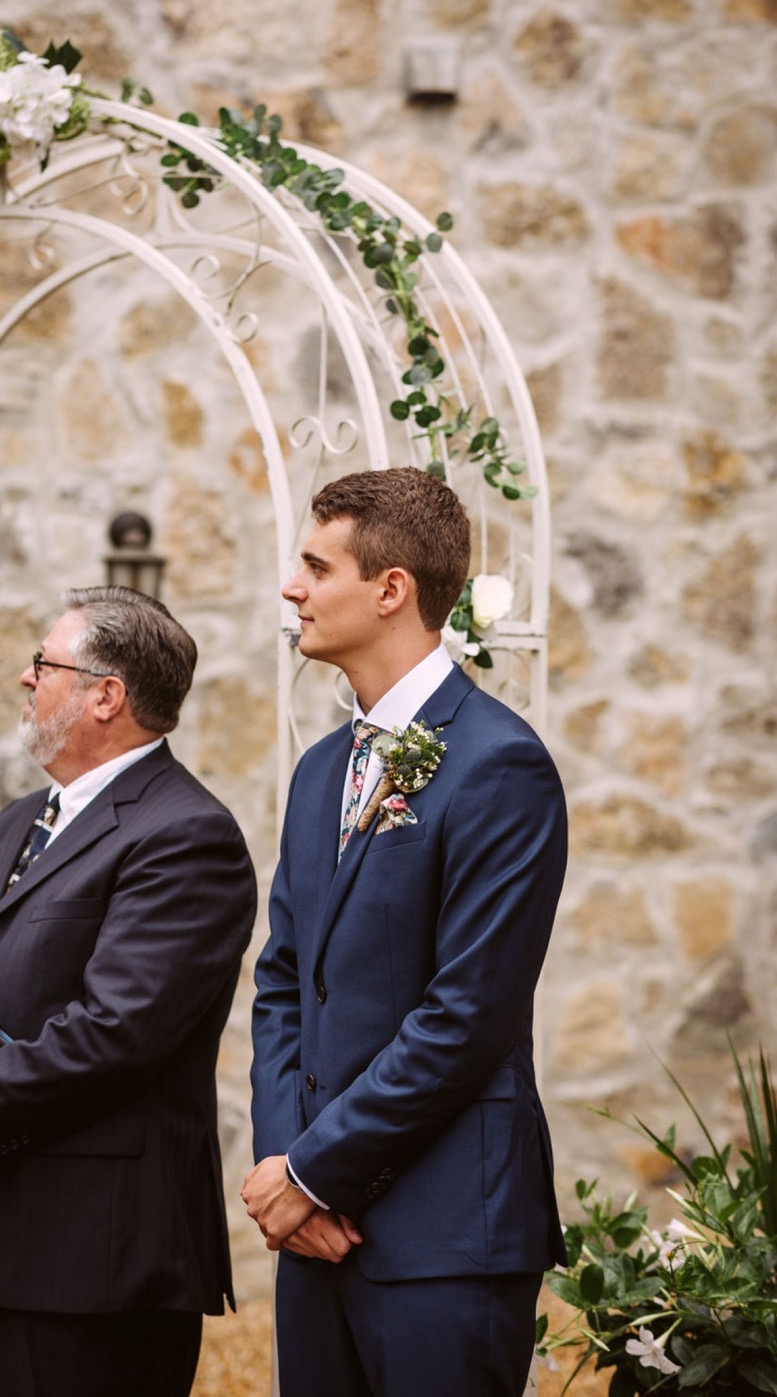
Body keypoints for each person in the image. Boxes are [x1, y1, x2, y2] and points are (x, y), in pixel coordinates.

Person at [0, 585, 257, 1397]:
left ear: (105, 695)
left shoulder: (186, 836)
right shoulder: (18, 820)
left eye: (43, 663)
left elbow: (113, 1032)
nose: (22, 677)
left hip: (85, 1264)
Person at [243, 467, 568, 1397]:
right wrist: (284, 1172)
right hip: (317, 1238)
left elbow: (464, 1017)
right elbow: (283, 983)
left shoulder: (500, 765)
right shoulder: (318, 773)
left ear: (391, 589)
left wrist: (312, 1170)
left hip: (444, 1237)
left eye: (315, 564)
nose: (291, 586)